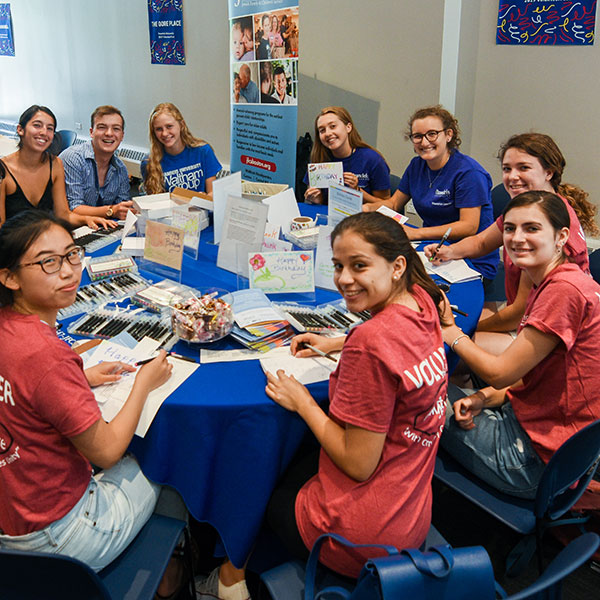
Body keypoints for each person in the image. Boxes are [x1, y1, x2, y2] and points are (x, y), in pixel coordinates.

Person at [195, 212, 448, 596]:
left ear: (397, 266)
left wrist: (302, 402)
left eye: (359, 266)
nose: (344, 279)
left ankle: (230, 582)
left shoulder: (372, 342)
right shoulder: (425, 302)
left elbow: (358, 464)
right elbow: (397, 349)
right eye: (338, 266)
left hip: (359, 539)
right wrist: (338, 341)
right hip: (410, 512)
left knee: (258, 471)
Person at [0, 211, 187, 596]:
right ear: (9, 277)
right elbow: (107, 453)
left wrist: (78, 378)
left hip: (12, 518)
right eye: (48, 262)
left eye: (71, 255)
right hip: (61, 538)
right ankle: (169, 576)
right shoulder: (45, 356)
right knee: (171, 461)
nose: (69, 271)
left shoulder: (12, 333)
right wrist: (143, 382)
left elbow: (20, 386)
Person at [440, 191, 600, 499]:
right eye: (510, 228)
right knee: (443, 390)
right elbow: (539, 379)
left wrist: (452, 332)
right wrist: (485, 398)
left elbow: (501, 373)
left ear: (561, 236)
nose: (516, 238)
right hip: (554, 443)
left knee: (416, 394)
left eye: (531, 228)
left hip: (531, 462)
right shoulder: (561, 280)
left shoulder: (563, 292)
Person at [424, 133, 596, 356]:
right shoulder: (531, 206)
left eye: (523, 168)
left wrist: (464, 329)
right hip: (528, 316)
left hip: (554, 337)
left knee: (441, 345)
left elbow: (519, 312)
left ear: (549, 172)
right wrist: (448, 251)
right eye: (507, 169)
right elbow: (483, 241)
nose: (512, 177)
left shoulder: (550, 229)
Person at [369, 105, 498, 281]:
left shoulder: (469, 173)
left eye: (432, 134)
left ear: (449, 135)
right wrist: (366, 207)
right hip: (431, 250)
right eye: (417, 136)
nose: (424, 142)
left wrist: (416, 233)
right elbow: (393, 204)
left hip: (470, 260)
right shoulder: (417, 165)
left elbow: (469, 226)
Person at [0, 105, 111, 230]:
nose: (44, 132)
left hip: (47, 240)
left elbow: (63, 215)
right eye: (37, 125)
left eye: (50, 128)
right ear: (20, 129)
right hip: (14, 245)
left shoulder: (55, 164)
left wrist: (86, 219)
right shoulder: (3, 170)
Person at [60, 105, 134, 221]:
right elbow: (73, 208)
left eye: (116, 128)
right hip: (70, 227)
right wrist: (111, 211)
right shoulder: (73, 158)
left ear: (122, 136)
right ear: (91, 132)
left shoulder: (121, 169)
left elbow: (122, 209)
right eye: (102, 127)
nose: (109, 133)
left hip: (100, 227)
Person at [304, 107, 391, 205]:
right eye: (322, 130)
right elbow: (318, 203)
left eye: (333, 126)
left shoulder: (372, 159)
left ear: (348, 127)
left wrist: (357, 191)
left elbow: (387, 205)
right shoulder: (319, 159)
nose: (328, 133)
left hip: (364, 218)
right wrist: (317, 200)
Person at [143, 102, 222, 196]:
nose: (164, 133)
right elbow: (154, 203)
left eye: (169, 126)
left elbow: (212, 193)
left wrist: (203, 199)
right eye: (159, 129)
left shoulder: (203, 151)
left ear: (181, 125)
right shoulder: (149, 162)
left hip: (202, 209)